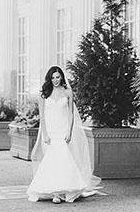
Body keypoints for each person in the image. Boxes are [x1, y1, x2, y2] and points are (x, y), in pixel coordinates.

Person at [27, 66, 102, 203]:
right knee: (52, 161)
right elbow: (42, 116)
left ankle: (63, 191)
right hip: (50, 130)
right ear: (49, 79)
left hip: (63, 129)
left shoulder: (67, 92)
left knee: (63, 159)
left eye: (58, 77)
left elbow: (71, 114)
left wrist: (69, 131)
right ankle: (55, 193)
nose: (55, 80)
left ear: (61, 77)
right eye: (53, 77)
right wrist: (45, 134)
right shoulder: (44, 93)